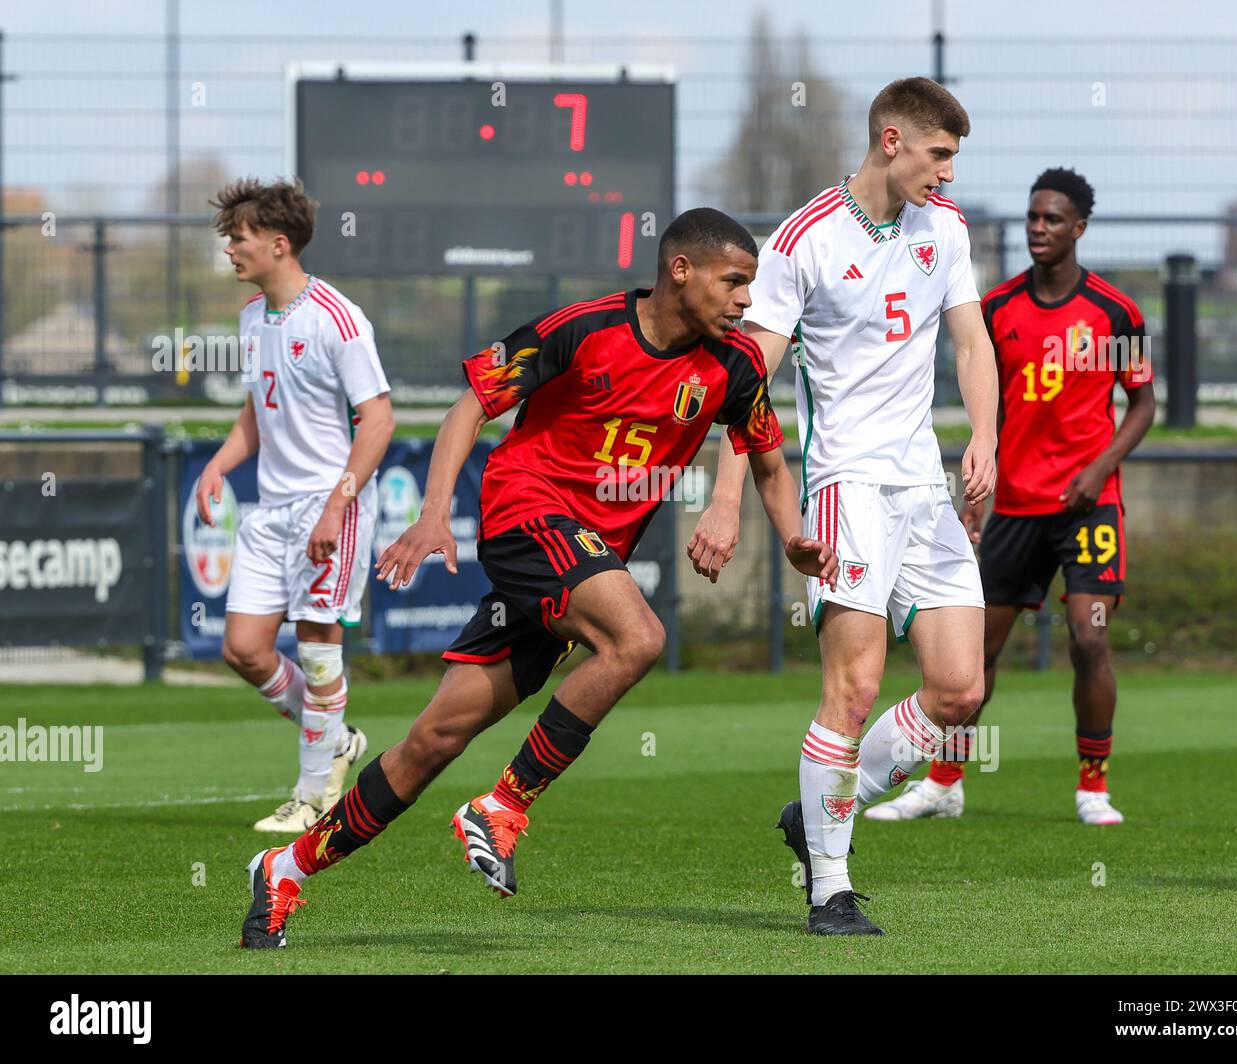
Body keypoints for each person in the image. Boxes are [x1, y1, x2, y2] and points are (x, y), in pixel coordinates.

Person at [239, 207, 839, 949]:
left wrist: (792, 538)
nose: (748, 299)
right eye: (735, 281)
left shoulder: (737, 365)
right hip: (525, 512)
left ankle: (285, 868)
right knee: (638, 638)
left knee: (435, 738)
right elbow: (471, 407)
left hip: (584, 557)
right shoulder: (582, 329)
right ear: (681, 270)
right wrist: (433, 514)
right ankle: (503, 808)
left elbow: (771, 462)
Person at [689, 77, 998, 935]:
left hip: (922, 486)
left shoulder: (948, 229)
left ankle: (820, 808)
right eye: (939, 156)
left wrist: (985, 436)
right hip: (844, 487)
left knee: (960, 689)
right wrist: (725, 501)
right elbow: (746, 380)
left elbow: (972, 341)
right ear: (892, 140)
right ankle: (829, 886)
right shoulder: (804, 239)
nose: (947, 175)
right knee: (854, 691)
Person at [865, 168, 1154, 826]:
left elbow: (1144, 403)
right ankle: (943, 784)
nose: (1038, 229)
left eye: (1053, 219)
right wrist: (980, 480)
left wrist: (1100, 466)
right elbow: (981, 400)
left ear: (1079, 227)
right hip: (1014, 508)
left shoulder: (1117, 312)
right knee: (974, 655)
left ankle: (1093, 786)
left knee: (1089, 638)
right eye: (1032, 217)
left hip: (1088, 506)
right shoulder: (995, 310)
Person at [198, 178, 393, 832]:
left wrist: (337, 506)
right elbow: (256, 416)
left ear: (279, 244)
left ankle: (314, 798)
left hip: (324, 506)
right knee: (244, 649)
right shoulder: (253, 317)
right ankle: (333, 737)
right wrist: (218, 468)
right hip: (269, 513)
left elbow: (379, 420)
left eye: (240, 237)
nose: (230, 249)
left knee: (316, 644)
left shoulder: (337, 317)